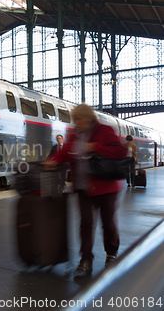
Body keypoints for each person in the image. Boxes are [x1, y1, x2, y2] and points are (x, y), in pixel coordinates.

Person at [43, 104, 126, 279]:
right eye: (75, 120)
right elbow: (65, 152)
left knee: (108, 222)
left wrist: (96, 146)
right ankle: (86, 260)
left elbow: (120, 151)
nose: (77, 123)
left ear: (89, 118)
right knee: (86, 224)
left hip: (105, 187)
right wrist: (54, 161)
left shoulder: (105, 130)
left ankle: (111, 253)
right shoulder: (73, 134)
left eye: (80, 120)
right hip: (82, 187)